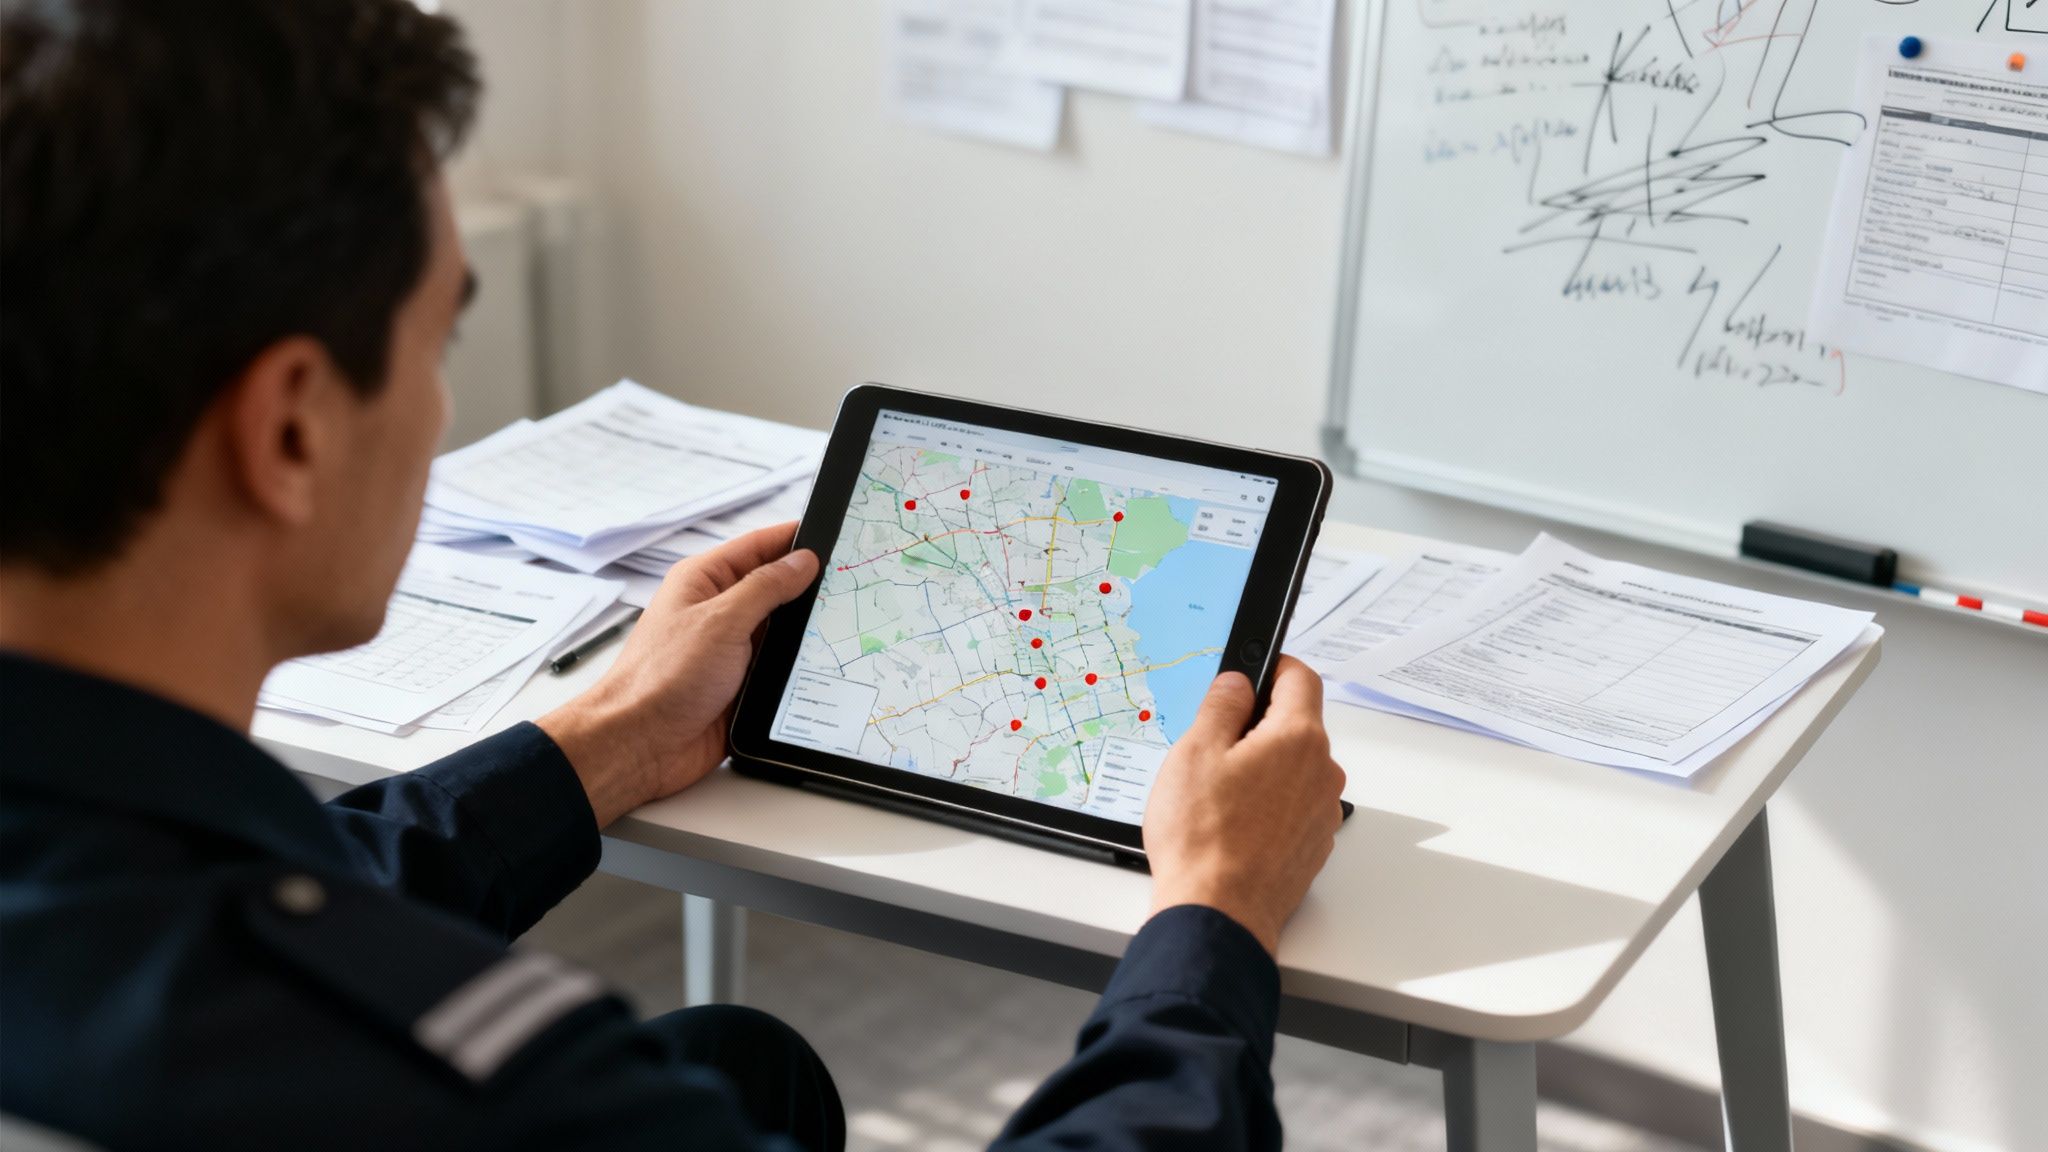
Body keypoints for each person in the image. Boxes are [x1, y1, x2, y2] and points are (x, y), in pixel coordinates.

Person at [0, 1, 1348, 1149]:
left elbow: (206, 919)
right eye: (431, 340)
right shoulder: (474, 1088)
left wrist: (602, 741)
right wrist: (1211, 923)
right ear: (290, 426)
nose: (434, 406)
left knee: (736, 1061)